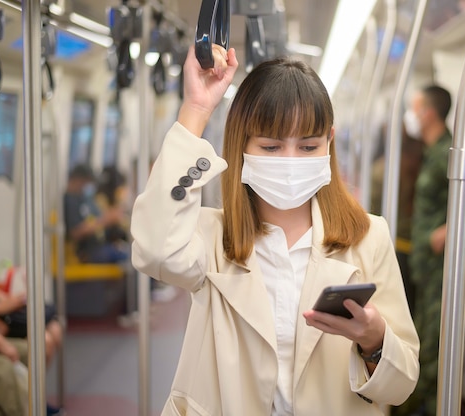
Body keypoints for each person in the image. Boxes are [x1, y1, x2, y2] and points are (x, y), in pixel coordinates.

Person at [130, 44, 420, 415]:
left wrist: (374, 341)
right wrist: (196, 110)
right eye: (270, 147)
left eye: (308, 146)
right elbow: (154, 250)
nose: (289, 162)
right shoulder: (211, 235)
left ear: (329, 142)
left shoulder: (369, 237)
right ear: (242, 145)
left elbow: (403, 382)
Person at [393, 85, 465, 416]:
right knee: (424, 342)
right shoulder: (431, 150)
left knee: (435, 353)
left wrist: (446, 232)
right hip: (429, 269)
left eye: (415, 107)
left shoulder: (450, 152)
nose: (410, 115)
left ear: (428, 113)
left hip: (445, 269)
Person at [369, 122, 424, 316]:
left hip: (398, 243)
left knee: (400, 305)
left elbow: (373, 209)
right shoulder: (422, 158)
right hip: (421, 244)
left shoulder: (380, 169)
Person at [64, 164, 128, 264]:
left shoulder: (85, 199)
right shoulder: (69, 201)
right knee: (129, 257)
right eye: (87, 181)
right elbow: (75, 232)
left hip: (99, 246)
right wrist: (105, 220)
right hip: (85, 252)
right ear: (78, 180)